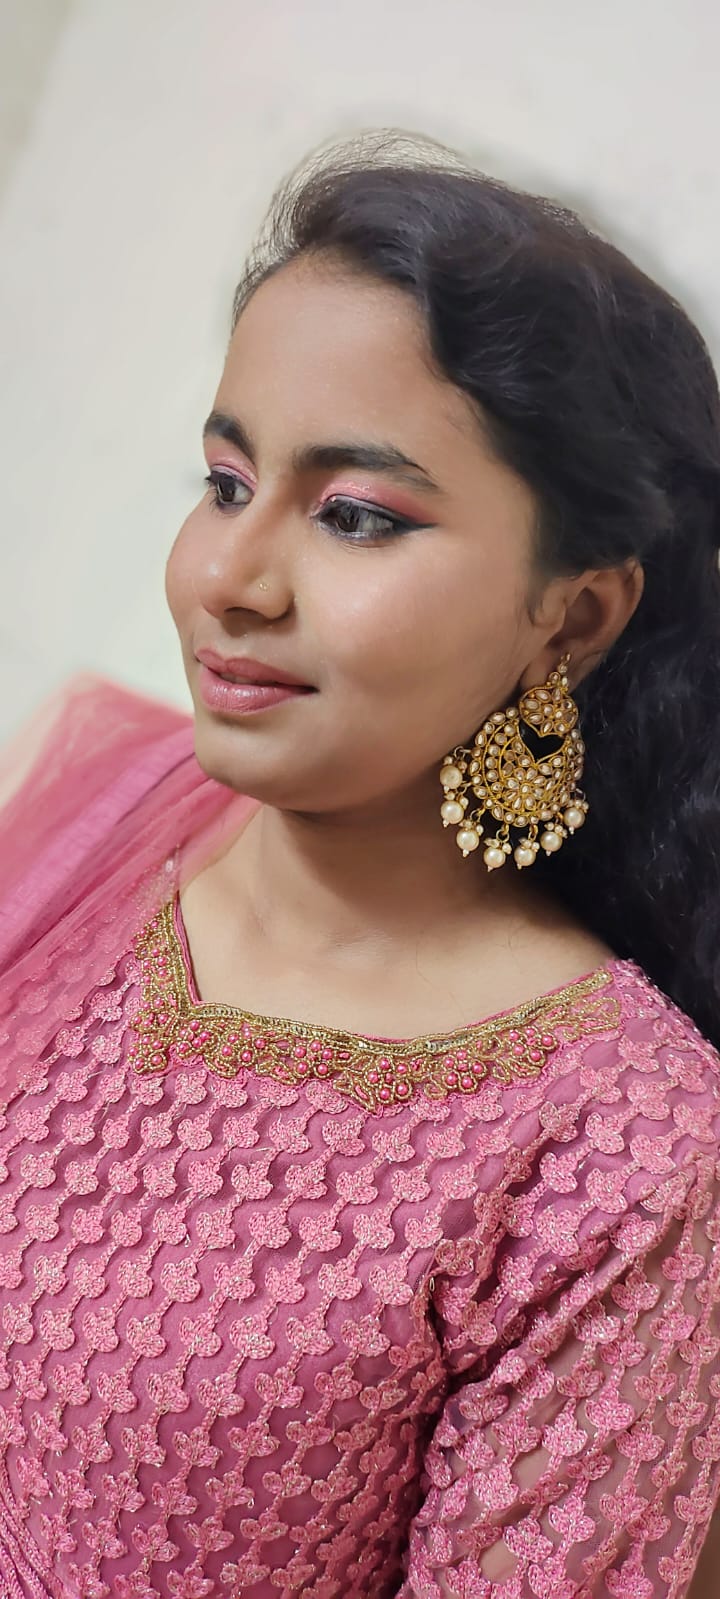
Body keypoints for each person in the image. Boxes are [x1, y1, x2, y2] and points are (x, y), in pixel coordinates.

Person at [0, 129, 719, 1599]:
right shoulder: (116, 817)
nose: (227, 578)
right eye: (225, 481)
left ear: (574, 616)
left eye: (355, 517)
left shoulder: (615, 1148)